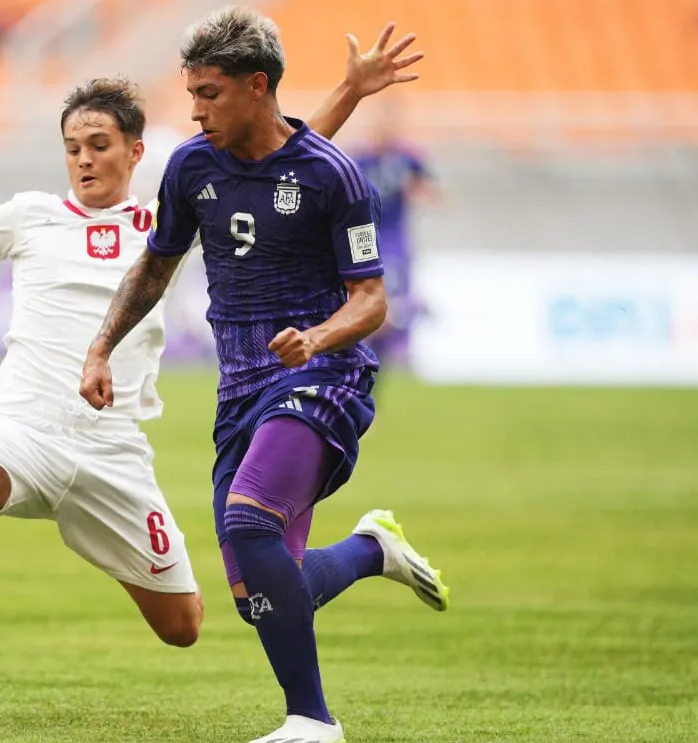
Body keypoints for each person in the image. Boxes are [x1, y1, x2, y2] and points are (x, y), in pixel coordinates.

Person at [0, 24, 424, 662]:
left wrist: (350, 90)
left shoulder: (168, 216)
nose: (84, 158)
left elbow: (276, 164)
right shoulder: (27, 216)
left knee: (187, 625)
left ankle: (369, 547)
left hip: (114, 453)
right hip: (23, 431)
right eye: (73, 146)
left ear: (136, 152)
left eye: (100, 144)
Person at [79, 9, 446, 743]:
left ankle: (313, 722)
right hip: (242, 385)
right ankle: (373, 549)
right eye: (192, 93)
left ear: (255, 87)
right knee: (261, 594)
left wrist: (316, 338)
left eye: (209, 93)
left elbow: (372, 299)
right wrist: (100, 348)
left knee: (249, 519)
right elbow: (156, 264)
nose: (195, 109)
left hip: (325, 375)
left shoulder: (337, 178)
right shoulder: (192, 166)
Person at [351, 100, 437, 374]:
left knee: (394, 298)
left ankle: (398, 348)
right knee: (369, 298)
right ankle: (369, 350)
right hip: (366, 239)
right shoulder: (359, 159)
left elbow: (431, 191)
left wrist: (417, 190)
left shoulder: (407, 158)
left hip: (396, 240)